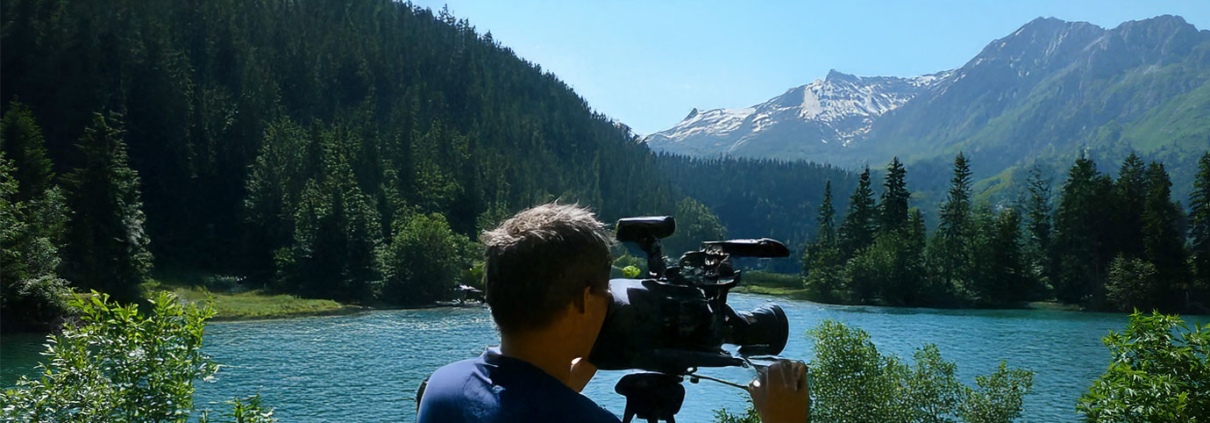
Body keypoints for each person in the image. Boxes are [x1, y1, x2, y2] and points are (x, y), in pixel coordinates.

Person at [417, 203, 810, 423]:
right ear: (587, 301)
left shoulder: (443, 388)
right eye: (607, 289)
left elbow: (524, 399)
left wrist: (598, 345)